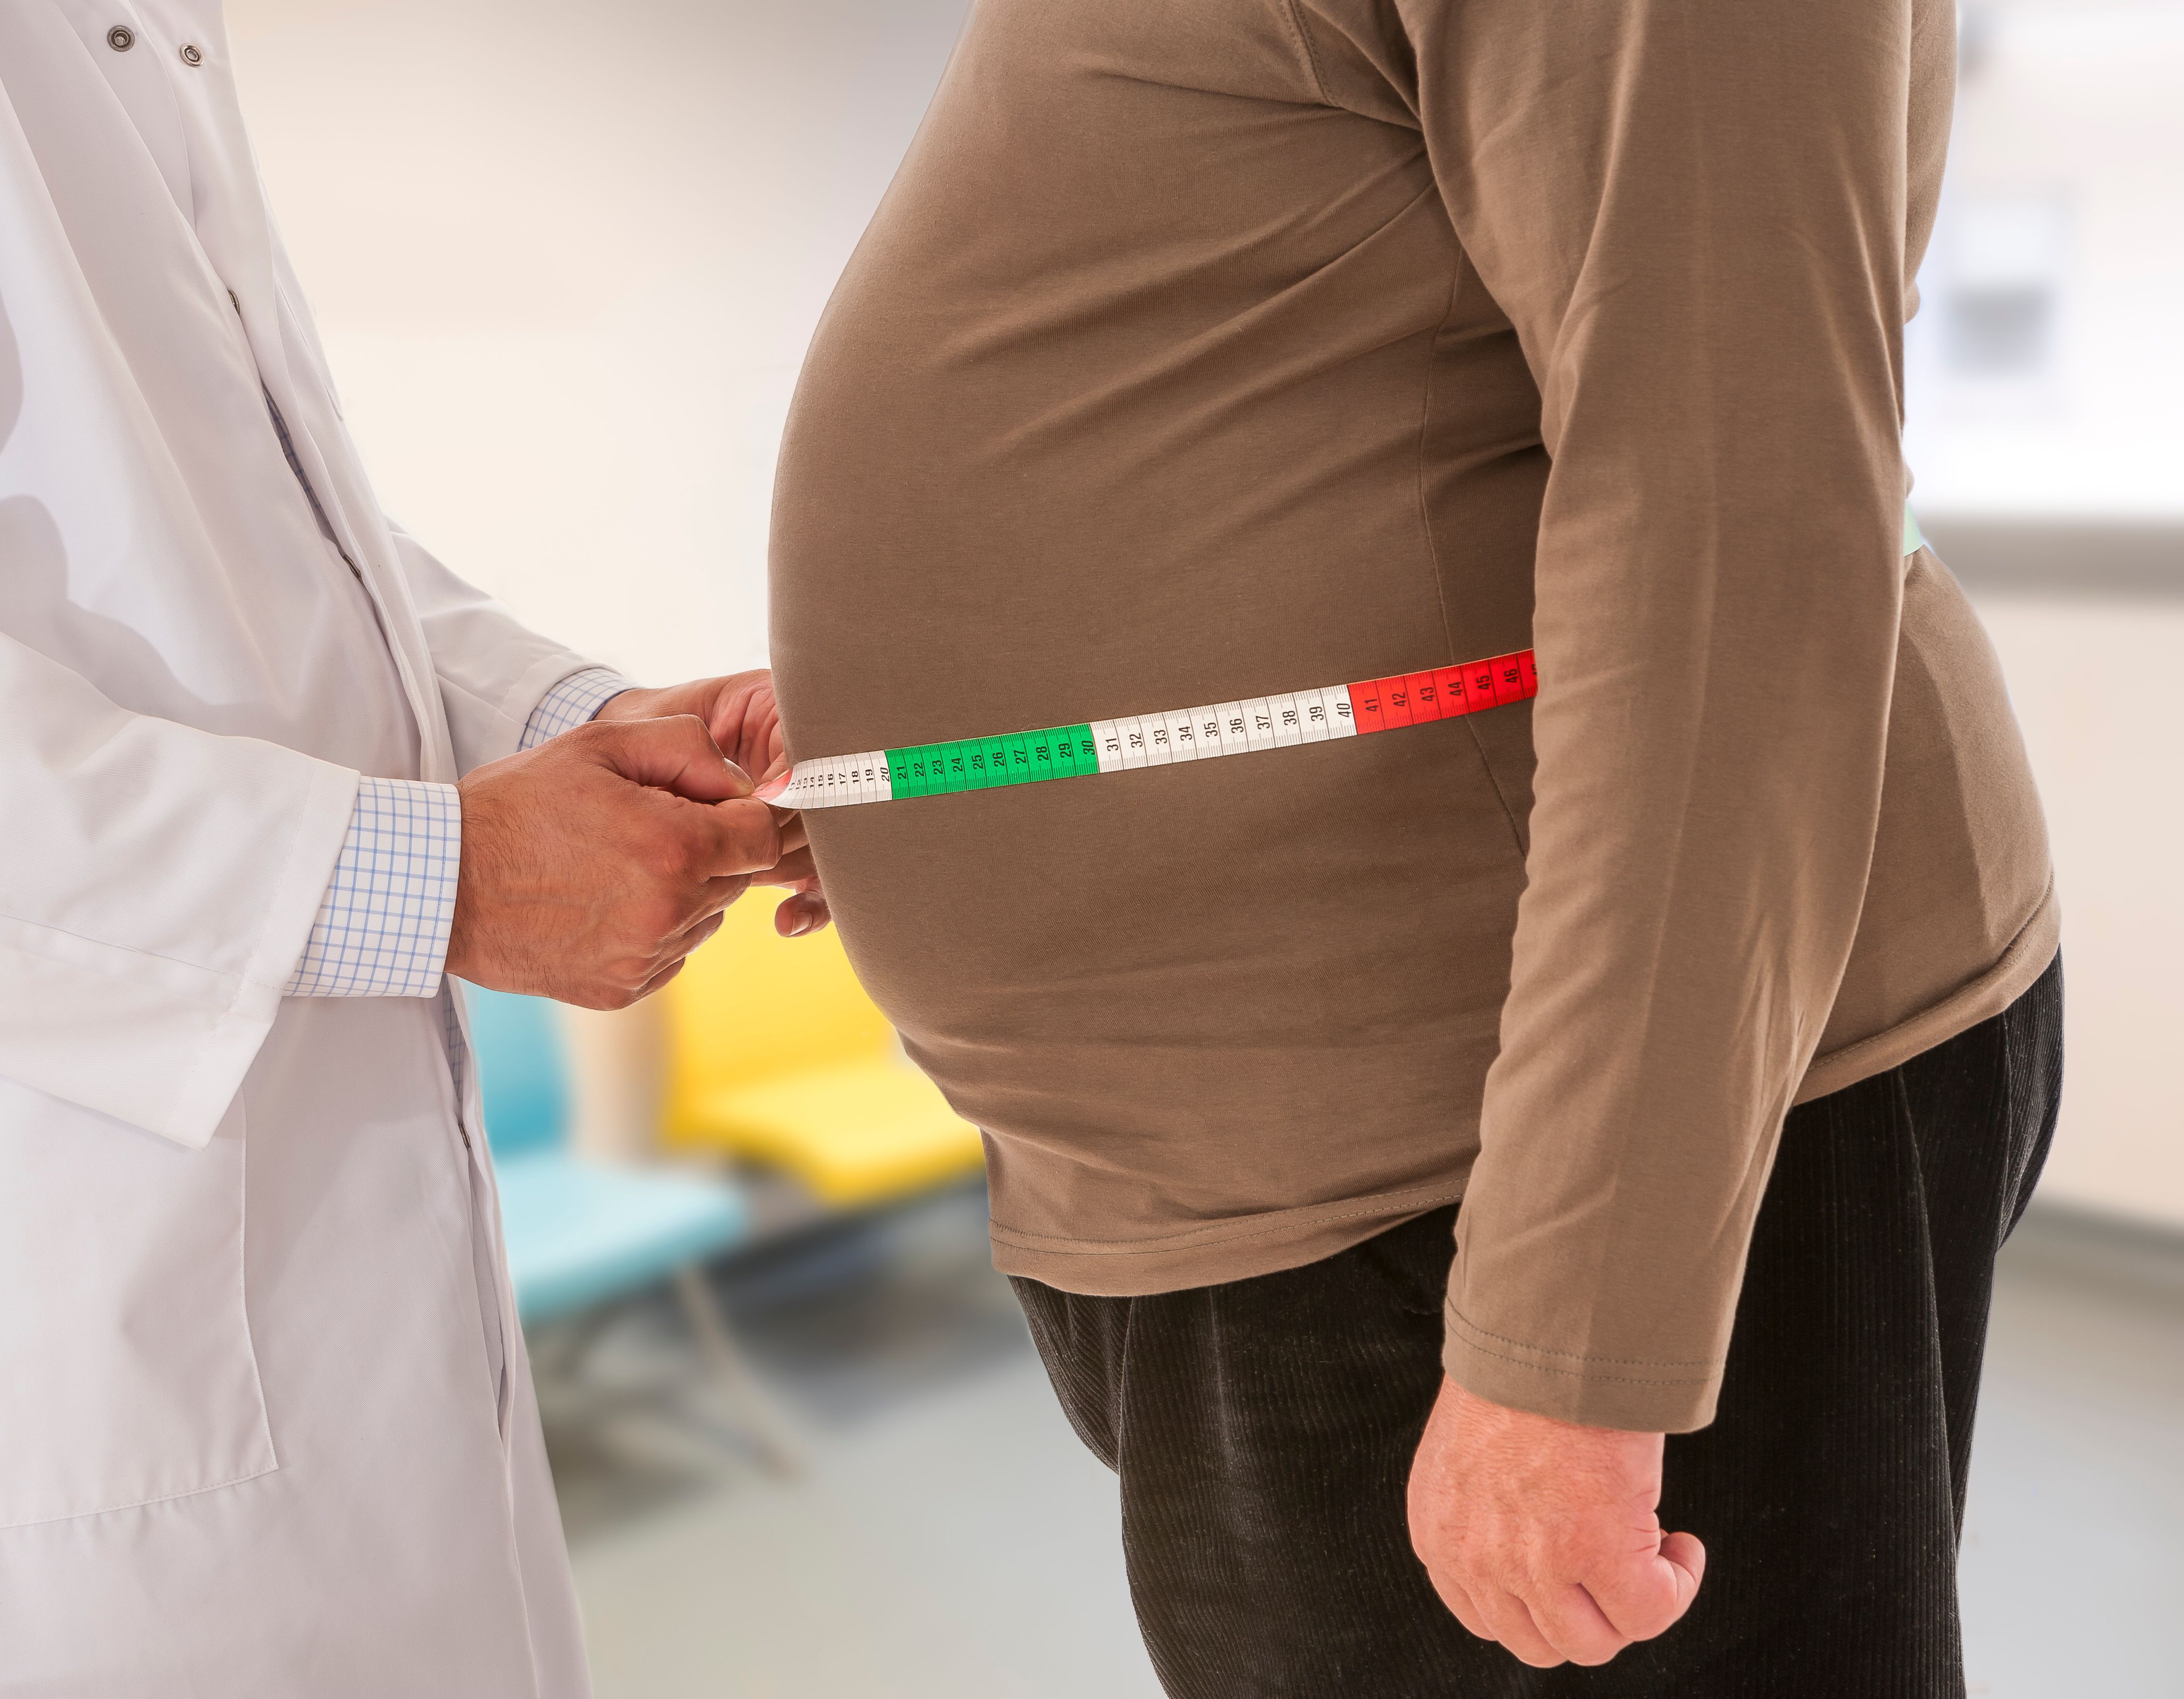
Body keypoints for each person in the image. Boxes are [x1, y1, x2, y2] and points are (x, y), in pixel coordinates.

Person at [767, 0, 2060, 1689]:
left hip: (1497, 1147)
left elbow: (1733, 527)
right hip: (1281, 1177)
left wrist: (1571, 1336)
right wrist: (946, 746)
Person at [0, 4, 814, 1692]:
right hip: (1, 1393)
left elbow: (261, 545)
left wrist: (583, 726)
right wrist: (438, 875)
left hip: (332, 1335)